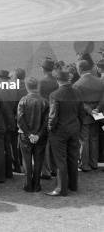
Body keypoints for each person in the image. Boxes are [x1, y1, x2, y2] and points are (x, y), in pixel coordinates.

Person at [46, 68, 82, 196]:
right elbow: (81, 112)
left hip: (59, 131)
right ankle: (73, 185)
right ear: (69, 79)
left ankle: (61, 188)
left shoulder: (54, 95)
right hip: (74, 128)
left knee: (60, 160)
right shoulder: (77, 93)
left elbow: (53, 115)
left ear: (58, 80)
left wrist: (50, 128)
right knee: (73, 158)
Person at [17, 77, 49, 193]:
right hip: (40, 136)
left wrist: (29, 134)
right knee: (39, 160)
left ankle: (28, 184)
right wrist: (38, 135)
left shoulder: (23, 100)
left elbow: (20, 119)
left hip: (25, 136)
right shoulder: (45, 101)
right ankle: (37, 184)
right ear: (38, 86)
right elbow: (46, 121)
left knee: (26, 161)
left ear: (26, 87)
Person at [73, 60, 104, 172]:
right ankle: (94, 163)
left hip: (85, 115)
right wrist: (97, 109)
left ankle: (85, 165)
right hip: (98, 114)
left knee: (84, 140)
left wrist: (91, 111)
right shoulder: (100, 81)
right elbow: (103, 98)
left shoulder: (77, 84)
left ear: (80, 69)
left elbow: (80, 103)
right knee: (94, 138)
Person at [0, 70, 17, 183]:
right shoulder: (12, 90)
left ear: (1, 79)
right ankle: (8, 172)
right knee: (7, 148)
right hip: (9, 123)